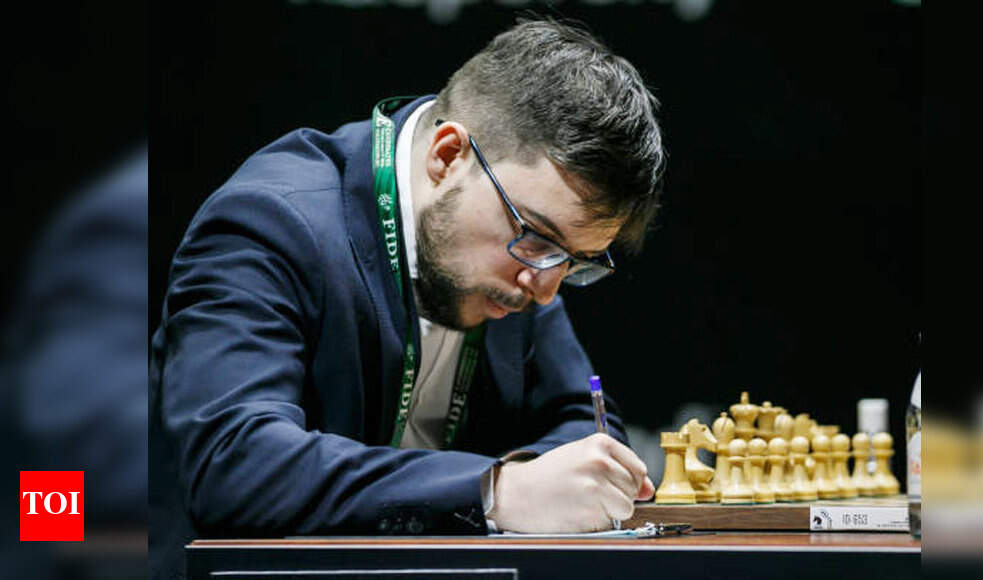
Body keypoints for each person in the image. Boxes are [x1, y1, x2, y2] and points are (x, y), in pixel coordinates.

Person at [149, 16, 666, 578]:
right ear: (447, 157)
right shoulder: (272, 223)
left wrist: (556, 479)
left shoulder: (520, 264)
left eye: (574, 262)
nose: (545, 291)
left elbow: (583, 426)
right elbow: (236, 464)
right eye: (539, 238)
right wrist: (494, 491)